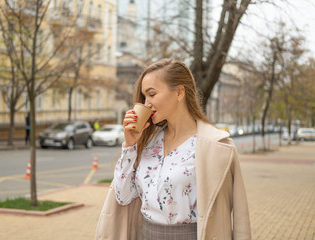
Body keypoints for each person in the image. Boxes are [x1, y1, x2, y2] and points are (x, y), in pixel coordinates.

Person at [95, 59, 251, 240]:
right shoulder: (148, 143)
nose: (146, 103)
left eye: (152, 94)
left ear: (179, 92)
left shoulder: (217, 146)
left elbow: (240, 215)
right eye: (144, 97)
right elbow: (122, 197)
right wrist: (130, 146)